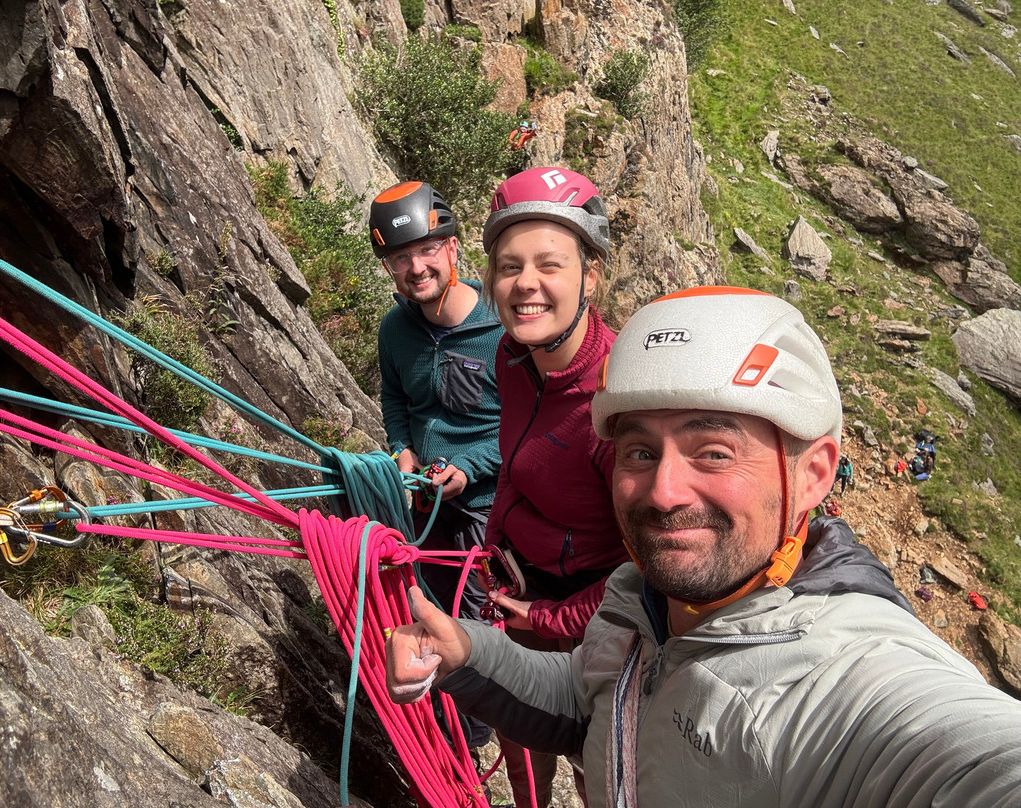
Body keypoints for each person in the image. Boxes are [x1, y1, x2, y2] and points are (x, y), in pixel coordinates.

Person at [386, 286, 1021, 807]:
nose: (662, 492)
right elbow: (588, 700)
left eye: (713, 452)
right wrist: (466, 653)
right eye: (640, 451)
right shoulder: (638, 598)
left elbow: (966, 756)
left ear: (813, 474)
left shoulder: (852, 678)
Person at [478, 166, 630, 806]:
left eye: (549, 264)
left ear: (590, 276)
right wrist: (490, 549)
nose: (525, 285)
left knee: (599, 768)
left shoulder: (618, 405)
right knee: (523, 754)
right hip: (518, 593)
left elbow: (643, 563)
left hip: (592, 622)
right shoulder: (511, 358)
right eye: (510, 267)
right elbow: (515, 468)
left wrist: (550, 615)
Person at [369, 181, 503, 749]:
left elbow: (525, 427)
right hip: (426, 502)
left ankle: (467, 749)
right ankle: (434, 730)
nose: (416, 267)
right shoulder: (395, 330)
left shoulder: (501, 329)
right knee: (423, 609)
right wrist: (402, 448)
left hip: (483, 510)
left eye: (427, 250)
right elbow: (397, 400)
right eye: (401, 258)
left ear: (452, 249)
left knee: (466, 629)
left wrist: (469, 469)